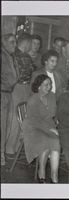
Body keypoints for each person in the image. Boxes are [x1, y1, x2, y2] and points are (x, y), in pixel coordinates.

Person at [22, 74, 60, 183]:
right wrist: (49, 129)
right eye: (46, 85)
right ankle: (42, 171)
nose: (49, 87)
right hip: (33, 126)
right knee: (45, 140)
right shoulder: (33, 99)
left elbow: (53, 113)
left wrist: (54, 125)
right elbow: (33, 119)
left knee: (55, 141)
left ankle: (54, 175)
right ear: (39, 86)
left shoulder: (52, 96)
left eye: (50, 84)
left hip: (48, 124)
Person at [6, 33, 34, 155]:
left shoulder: (26, 56)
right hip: (17, 88)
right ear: (26, 43)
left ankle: (16, 147)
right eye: (31, 44)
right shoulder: (14, 56)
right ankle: (9, 148)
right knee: (15, 118)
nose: (32, 46)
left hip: (26, 88)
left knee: (23, 118)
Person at [1, 33, 18, 165]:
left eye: (15, 42)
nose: (15, 45)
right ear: (4, 42)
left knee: (5, 125)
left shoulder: (9, 56)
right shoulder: (2, 56)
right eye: (12, 42)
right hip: (2, 94)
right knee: (2, 126)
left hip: (8, 94)